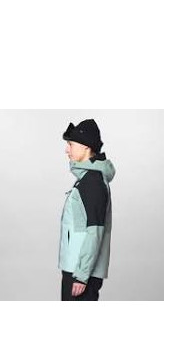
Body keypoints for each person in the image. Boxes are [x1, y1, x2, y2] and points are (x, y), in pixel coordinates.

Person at [58, 119, 116, 301]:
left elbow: (95, 231)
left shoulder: (92, 182)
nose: (66, 150)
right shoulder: (87, 179)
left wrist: (82, 276)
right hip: (77, 269)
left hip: (81, 273)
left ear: (86, 147)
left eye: (70, 144)